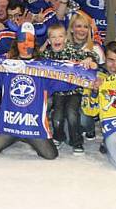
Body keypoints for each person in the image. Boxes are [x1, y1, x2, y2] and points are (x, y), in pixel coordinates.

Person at [0, 22, 96, 160]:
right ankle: (13, 136)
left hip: (34, 128)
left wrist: (88, 73)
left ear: (35, 43)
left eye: (30, 41)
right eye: (22, 40)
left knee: (51, 155)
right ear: (16, 43)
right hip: (8, 125)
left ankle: (27, 137)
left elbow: (67, 78)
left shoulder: (45, 68)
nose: (26, 44)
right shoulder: (5, 65)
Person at [39, 23, 99, 154]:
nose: (57, 40)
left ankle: (76, 141)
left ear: (66, 38)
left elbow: (92, 57)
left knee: (72, 114)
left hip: (74, 91)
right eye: (53, 37)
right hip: (58, 92)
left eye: (60, 36)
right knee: (57, 116)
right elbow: (38, 58)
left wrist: (90, 60)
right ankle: (58, 136)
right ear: (49, 41)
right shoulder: (48, 54)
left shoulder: (72, 50)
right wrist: (44, 46)